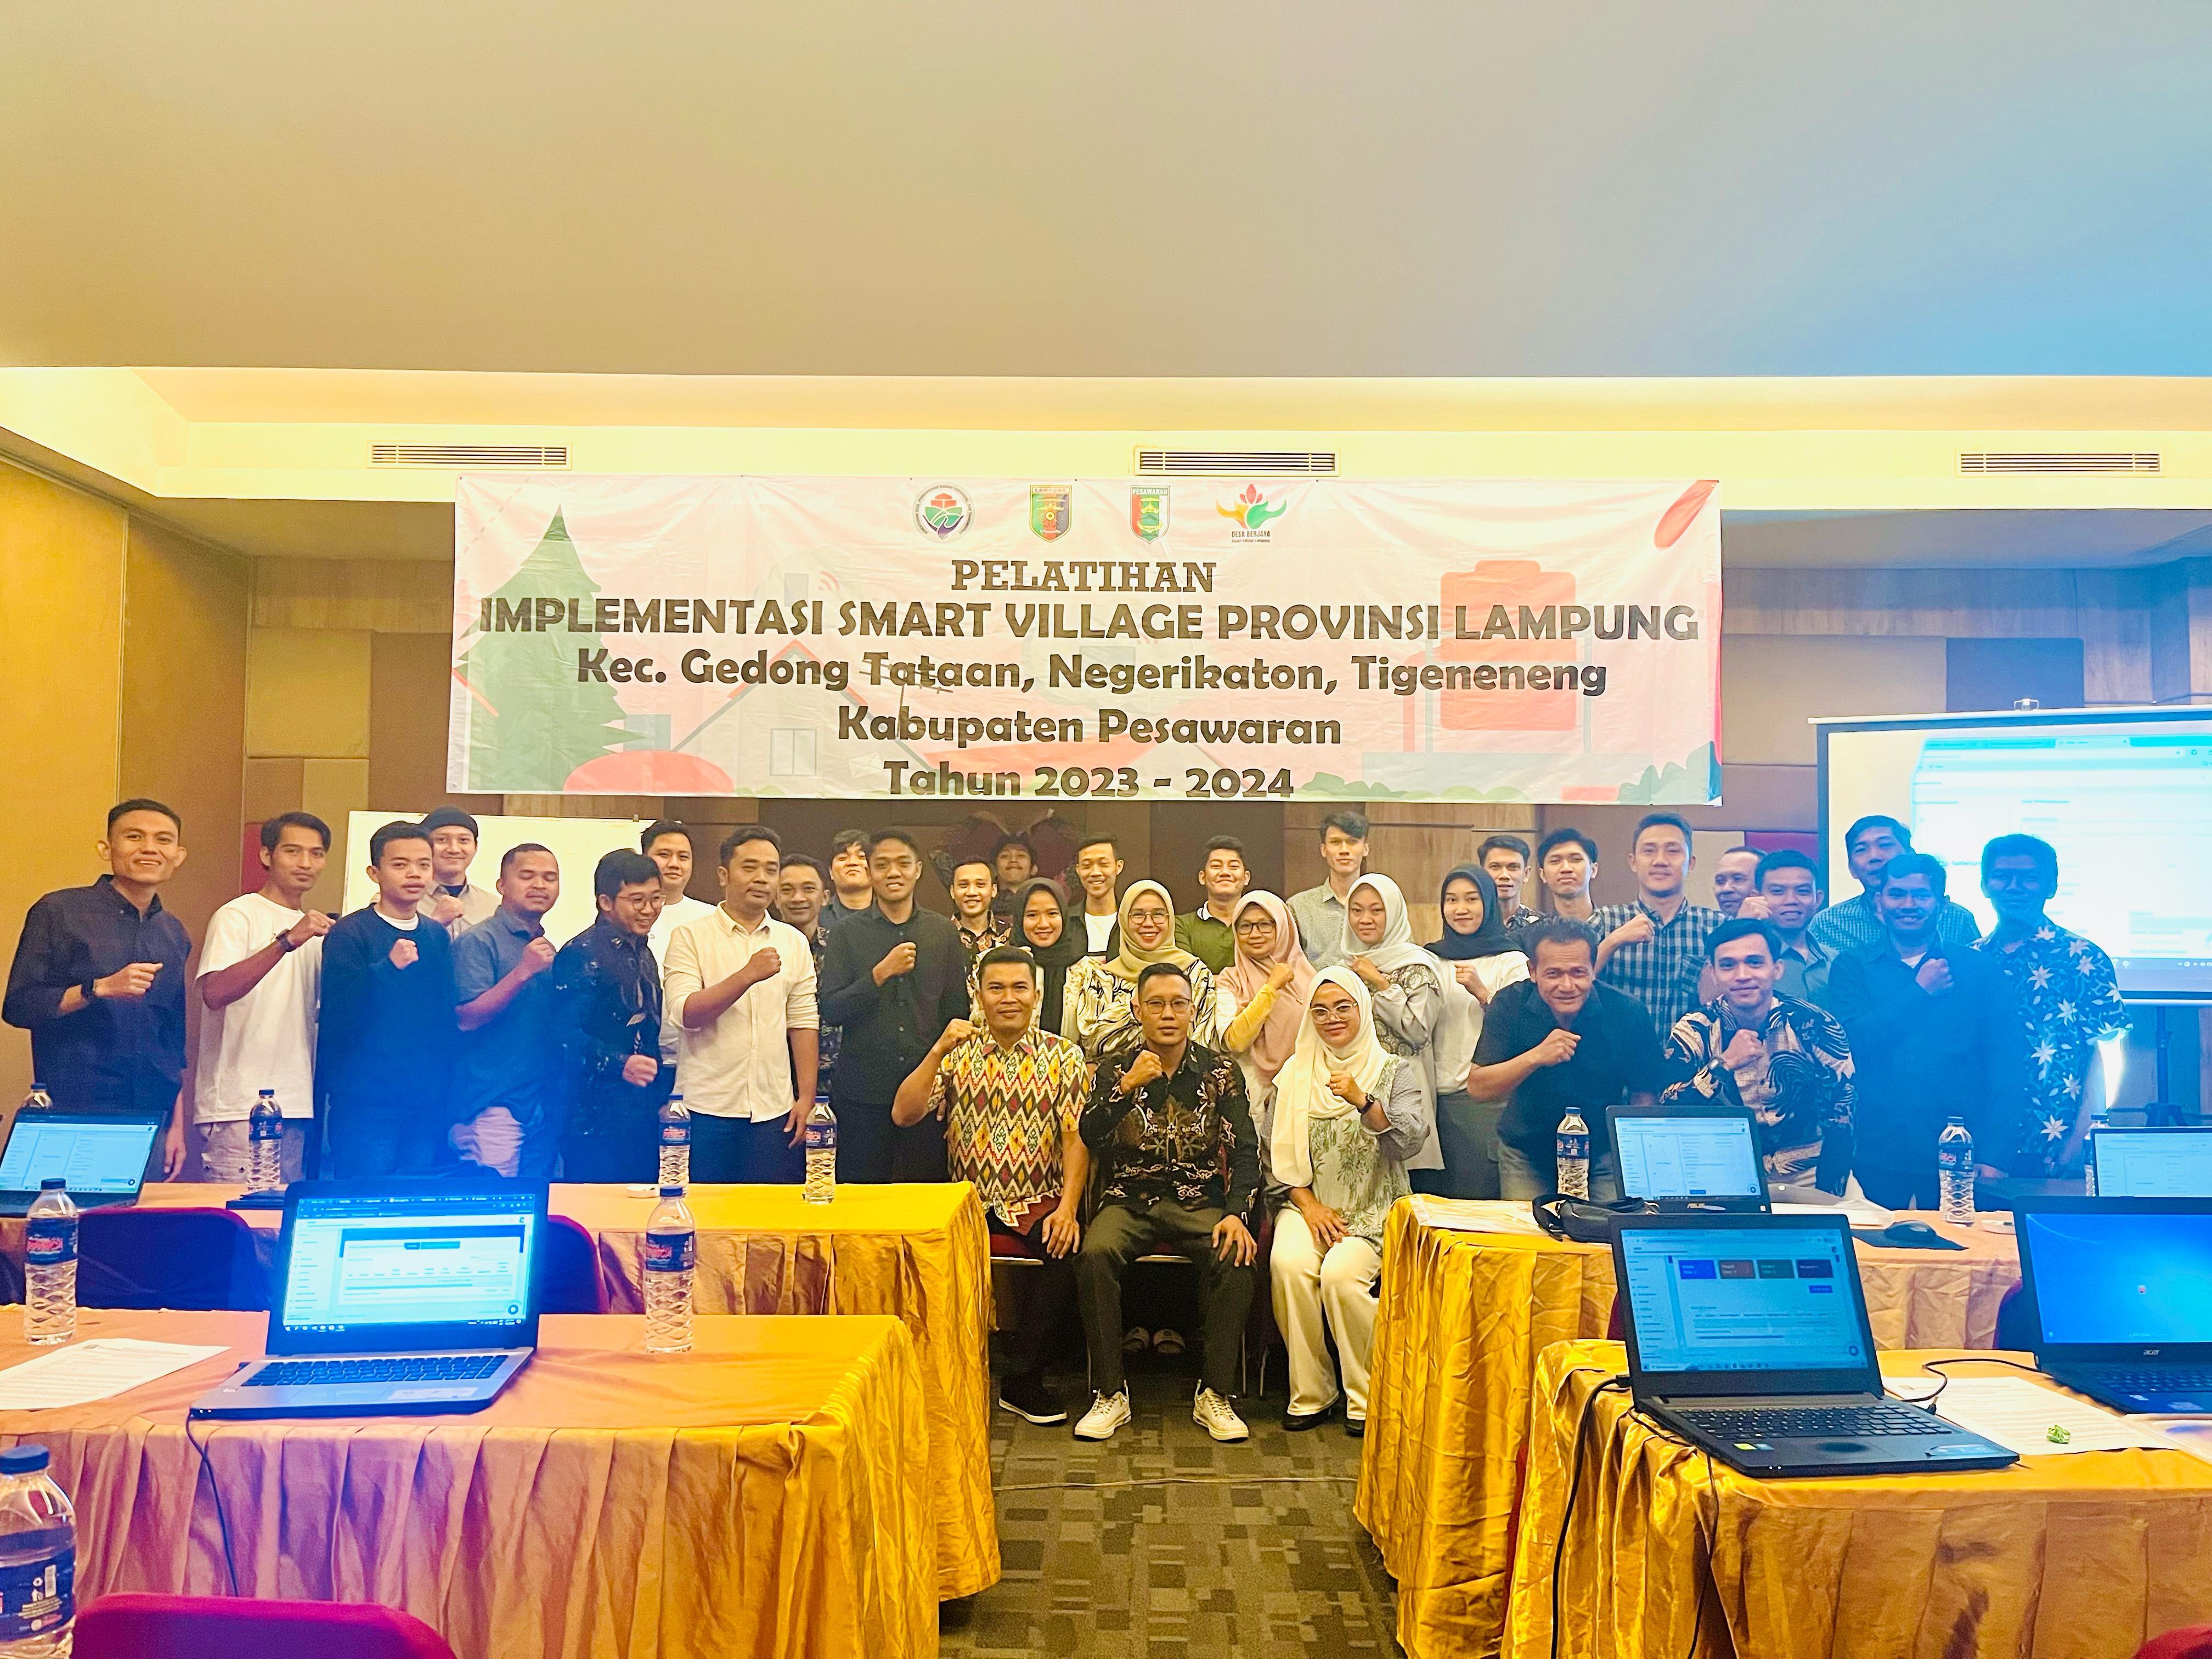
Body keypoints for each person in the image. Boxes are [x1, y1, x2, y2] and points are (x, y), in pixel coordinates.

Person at [894, 946, 1091, 1424]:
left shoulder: (1065, 1056)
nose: (1008, 998)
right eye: (996, 988)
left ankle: (1021, 1377)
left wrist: (1068, 1208)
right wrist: (937, 1051)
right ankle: (939, 1373)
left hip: (1037, 1199)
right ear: (979, 996)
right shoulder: (957, 1052)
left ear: (1036, 995)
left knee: (1072, 1252)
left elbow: (1075, 1140)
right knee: (915, 1257)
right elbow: (904, 1114)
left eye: (1019, 988)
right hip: (966, 1202)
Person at [1073, 962, 1260, 1444]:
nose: (1168, 1014)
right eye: (1156, 1004)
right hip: (1129, 1198)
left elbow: (1245, 1151)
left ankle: (1214, 1392)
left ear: (1193, 1011)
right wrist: (1126, 1087)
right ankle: (1110, 1393)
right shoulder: (1115, 1068)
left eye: (1179, 1004)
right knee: (1095, 1254)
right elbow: (1090, 1135)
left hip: (1199, 1201)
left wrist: (1237, 1215)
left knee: (1237, 1256)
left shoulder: (1220, 1072)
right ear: (1138, 1010)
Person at [1269, 968, 1429, 1435]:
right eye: (1320, 1011)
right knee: (1288, 1264)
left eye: (1343, 1008)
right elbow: (1273, 1158)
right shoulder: (1294, 1073)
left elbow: (1409, 1142)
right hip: (1309, 1205)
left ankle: (1369, 1393)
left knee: (1341, 1276)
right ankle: (1311, 1391)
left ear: (1363, 1008)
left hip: (1376, 1207)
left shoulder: (1394, 1070)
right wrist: (1310, 1207)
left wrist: (1363, 1101)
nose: (1332, 1018)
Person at [1824, 853, 2024, 1209]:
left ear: (1941, 904)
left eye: (1921, 895)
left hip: (1961, 1148)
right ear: (1878, 902)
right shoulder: (1852, 966)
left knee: (1962, 1242)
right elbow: (1852, 1045)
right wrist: (1919, 992)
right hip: (1873, 1148)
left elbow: (2005, 1065)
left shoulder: (1979, 969)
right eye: (1896, 894)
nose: (1908, 905)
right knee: (1871, 1243)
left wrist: (1997, 1154)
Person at [4, 799, 193, 1176]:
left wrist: (177, 1127)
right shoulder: (59, 911)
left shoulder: (174, 932)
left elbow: (172, 1041)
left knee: (146, 1215)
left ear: (178, 855)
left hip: (151, 1119)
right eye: (134, 837)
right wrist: (98, 988)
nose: (150, 848)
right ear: (107, 849)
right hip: (75, 1110)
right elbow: (20, 1006)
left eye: (163, 840)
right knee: (69, 1212)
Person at [663, 826, 820, 1183]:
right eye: (750, 868)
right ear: (724, 875)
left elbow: (803, 1021)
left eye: (771, 870)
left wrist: (806, 1097)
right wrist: (747, 975)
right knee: (707, 1211)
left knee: (767, 1213)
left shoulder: (793, 941)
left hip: (774, 1109)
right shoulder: (690, 936)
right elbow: (685, 1014)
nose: (762, 878)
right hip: (705, 1107)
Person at [1467, 919, 1663, 1201]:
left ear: (1593, 969)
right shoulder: (1510, 1004)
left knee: (1607, 1227)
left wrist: (1637, 1162)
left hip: (1604, 1152)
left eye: (1578, 972)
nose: (1567, 985)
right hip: (1527, 1151)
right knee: (1526, 1229)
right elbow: (1478, 1088)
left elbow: (1644, 1096)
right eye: (1554, 974)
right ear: (1533, 972)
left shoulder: (1627, 1012)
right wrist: (1535, 1057)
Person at [1973, 834, 2130, 1178]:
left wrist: (2079, 1142)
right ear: (1985, 885)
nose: (2014, 887)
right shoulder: (1971, 958)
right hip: (1979, 1145)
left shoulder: (2083, 958)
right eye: (2002, 876)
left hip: (2055, 1147)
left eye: (2028, 877)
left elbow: (2105, 1057)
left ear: (2052, 887)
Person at [1661, 918, 1857, 1195]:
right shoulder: (1694, 1030)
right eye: (1728, 965)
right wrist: (1722, 1065)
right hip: (1720, 1172)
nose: (1742, 975)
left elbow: (1843, 1112)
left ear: (1777, 969)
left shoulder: (1815, 1025)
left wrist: (1829, 1194)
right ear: (1713, 973)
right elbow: (1666, 1112)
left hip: (1809, 1171)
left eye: (1754, 962)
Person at [817, 829, 971, 1181]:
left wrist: (947, 1084)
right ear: (870, 872)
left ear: (918, 870)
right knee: (861, 1197)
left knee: (925, 1195)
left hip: (927, 1092)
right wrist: (879, 975)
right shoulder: (846, 934)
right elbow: (833, 1009)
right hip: (862, 1094)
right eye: (883, 865)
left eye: (903, 863)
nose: (894, 873)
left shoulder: (942, 932)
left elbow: (956, 1015)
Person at [191, 811, 330, 1184]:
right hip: (240, 1106)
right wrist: (287, 941)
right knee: (240, 1214)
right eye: (293, 851)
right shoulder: (238, 915)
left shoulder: (316, 931)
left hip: (297, 1103)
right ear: (267, 855)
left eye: (316, 854)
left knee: (281, 1218)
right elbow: (215, 992)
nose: (306, 863)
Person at [317, 820, 456, 1177]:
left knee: (414, 1199)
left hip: (425, 1101)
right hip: (366, 1102)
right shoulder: (350, 933)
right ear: (374, 873)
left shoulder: (436, 936)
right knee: (364, 1197)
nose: (414, 874)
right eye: (400, 864)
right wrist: (387, 968)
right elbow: (339, 1015)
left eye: (423, 865)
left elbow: (443, 1018)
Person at [552, 850, 673, 1181]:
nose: (649, 909)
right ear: (605, 902)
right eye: (637, 900)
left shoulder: (643, 950)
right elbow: (562, 1035)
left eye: (656, 898)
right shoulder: (581, 953)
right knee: (597, 1207)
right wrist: (621, 1063)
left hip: (640, 1111)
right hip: (592, 1118)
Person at [449, 843, 563, 1178]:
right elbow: (467, 1019)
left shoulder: (545, 945)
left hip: (539, 1100)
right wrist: (523, 972)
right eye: (527, 876)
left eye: (550, 878)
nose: (540, 885)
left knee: (539, 1200)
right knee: (494, 1200)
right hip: (492, 1102)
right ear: (501, 885)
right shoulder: (478, 941)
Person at [1423, 865, 1532, 1198]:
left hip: (1481, 1100)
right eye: (1452, 900)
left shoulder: (1509, 959)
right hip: (1431, 1097)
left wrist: (1484, 993)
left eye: (1472, 899)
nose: (1461, 909)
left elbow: (1523, 1027)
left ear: (1488, 903)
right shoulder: (1430, 958)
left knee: (1475, 1198)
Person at [1590, 812, 1724, 1037]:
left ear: (1691, 863)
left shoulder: (1717, 926)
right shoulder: (1605, 921)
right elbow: (1570, 983)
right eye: (1649, 851)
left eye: (1673, 851)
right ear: (1633, 862)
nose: (1660, 861)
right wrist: (1613, 941)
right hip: (1620, 1056)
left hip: (1693, 1056)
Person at [1062, 882, 1221, 1061]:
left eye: (1158, 914)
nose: (1148, 923)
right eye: (1138, 915)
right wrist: (1132, 1009)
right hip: (1118, 1076)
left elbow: (1204, 1041)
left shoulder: (1195, 974)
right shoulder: (1102, 978)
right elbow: (1092, 1041)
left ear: (1170, 919)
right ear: (1124, 919)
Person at [1808, 815, 1979, 955]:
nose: (1875, 857)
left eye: (1885, 845)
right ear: (1852, 868)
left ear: (1909, 854)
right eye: (1861, 850)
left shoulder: (1957, 918)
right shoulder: (1828, 924)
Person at [1214, 890, 1315, 1125]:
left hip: (1308, 1092)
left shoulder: (1312, 979)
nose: (1255, 934)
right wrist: (1271, 987)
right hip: (1255, 1097)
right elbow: (1235, 1041)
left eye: (1265, 925)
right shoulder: (1229, 981)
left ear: (1283, 927)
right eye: (1245, 926)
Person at [776, 853, 843, 1094]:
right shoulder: (759, 950)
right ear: (775, 897)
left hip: (837, 1079)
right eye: (787, 890)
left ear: (825, 897)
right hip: (775, 1077)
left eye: (808, 889)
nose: (798, 898)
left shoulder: (842, 948)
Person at [1288, 810, 1370, 970]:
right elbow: (1287, 962)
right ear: (1324, 850)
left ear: (1365, 849)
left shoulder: (1383, 904)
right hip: (1314, 984)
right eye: (1335, 842)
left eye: (1352, 842)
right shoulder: (1298, 906)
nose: (1344, 850)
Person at [1753, 850, 1836, 1006]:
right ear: (1756, 898)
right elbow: (1708, 1001)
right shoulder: (1746, 960)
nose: (1791, 900)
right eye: (1778, 892)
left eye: (1803, 891)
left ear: (1818, 899)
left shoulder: (1836, 960)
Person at [642, 820, 715, 977]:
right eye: (664, 855)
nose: (674, 864)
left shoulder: (713, 917)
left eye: (683, 857)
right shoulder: (626, 914)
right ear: (644, 858)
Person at [1174, 836, 1251, 973]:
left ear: (1246, 878)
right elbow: (1188, 975)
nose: (1225, 873)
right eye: (1216, 866)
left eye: (1233, 866)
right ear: (1202, 877)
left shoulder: (1260, 925)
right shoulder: (1181, 925)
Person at [417, 806, 498, 932]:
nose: (454, 849)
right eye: (442, 840)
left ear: (476, 847)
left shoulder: (493, 906)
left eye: (463, 840)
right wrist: (437, 922)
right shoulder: (403, 902)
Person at [1070, 834, 1125, 955]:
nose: (1095, 872)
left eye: (1104, 864)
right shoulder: (1066, 922)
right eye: (1087, 866)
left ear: (1118, 867)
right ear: (1078, 870)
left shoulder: (1131, 921)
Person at [1534, 828, 1600, 923]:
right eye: (1555, 861)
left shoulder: (1619, 922)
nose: (1566, 868)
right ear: (1543, 875)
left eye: (1576, 859)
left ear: (1593, 870)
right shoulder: (1535, 931)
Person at [1477, 835, 1542, 931]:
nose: (1504, 875)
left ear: (1526, 874)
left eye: (1513, 867)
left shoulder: (1541, 926)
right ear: (1482, 873)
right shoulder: (1472, 923)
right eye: (1495, 867)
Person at [949, 857, 1008, 958]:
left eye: (980, 885)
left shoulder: (1011, 935)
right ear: (952, 892)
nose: (971, 892)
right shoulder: (939, 935)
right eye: (963, 885)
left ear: (994, 890)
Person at [822, 828, 875, 934]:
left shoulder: (893, 914)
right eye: (843, 858)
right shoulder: (818, 916)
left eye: (862, 857)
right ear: (831, 872)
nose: (852, 863)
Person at [1708, 847, 1768, 920]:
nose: (1726, 889)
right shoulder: (1710, 925)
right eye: (1720, 881)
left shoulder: (1779, 924)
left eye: (1738, 879)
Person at [990, 834, 1037, 922]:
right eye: (1005, 856)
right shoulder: (983, 905)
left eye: (1021, 855)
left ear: (1034, 869)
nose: (1013, 860)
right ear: (995, 868)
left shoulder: (1043, 903)